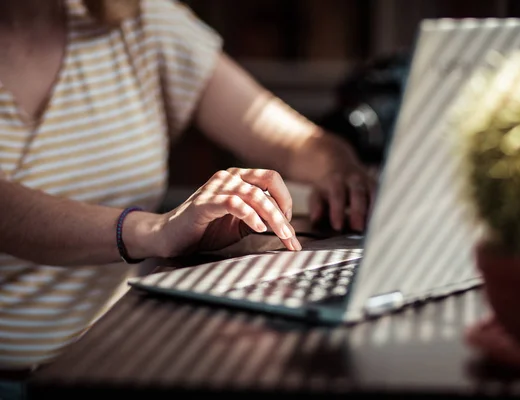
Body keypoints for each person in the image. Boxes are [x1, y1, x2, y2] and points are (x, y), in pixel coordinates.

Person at [0, 0, 376, 369]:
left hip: (111, 356)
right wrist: (155, 229)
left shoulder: (143, 23)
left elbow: (293, 141)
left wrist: (337, 167)